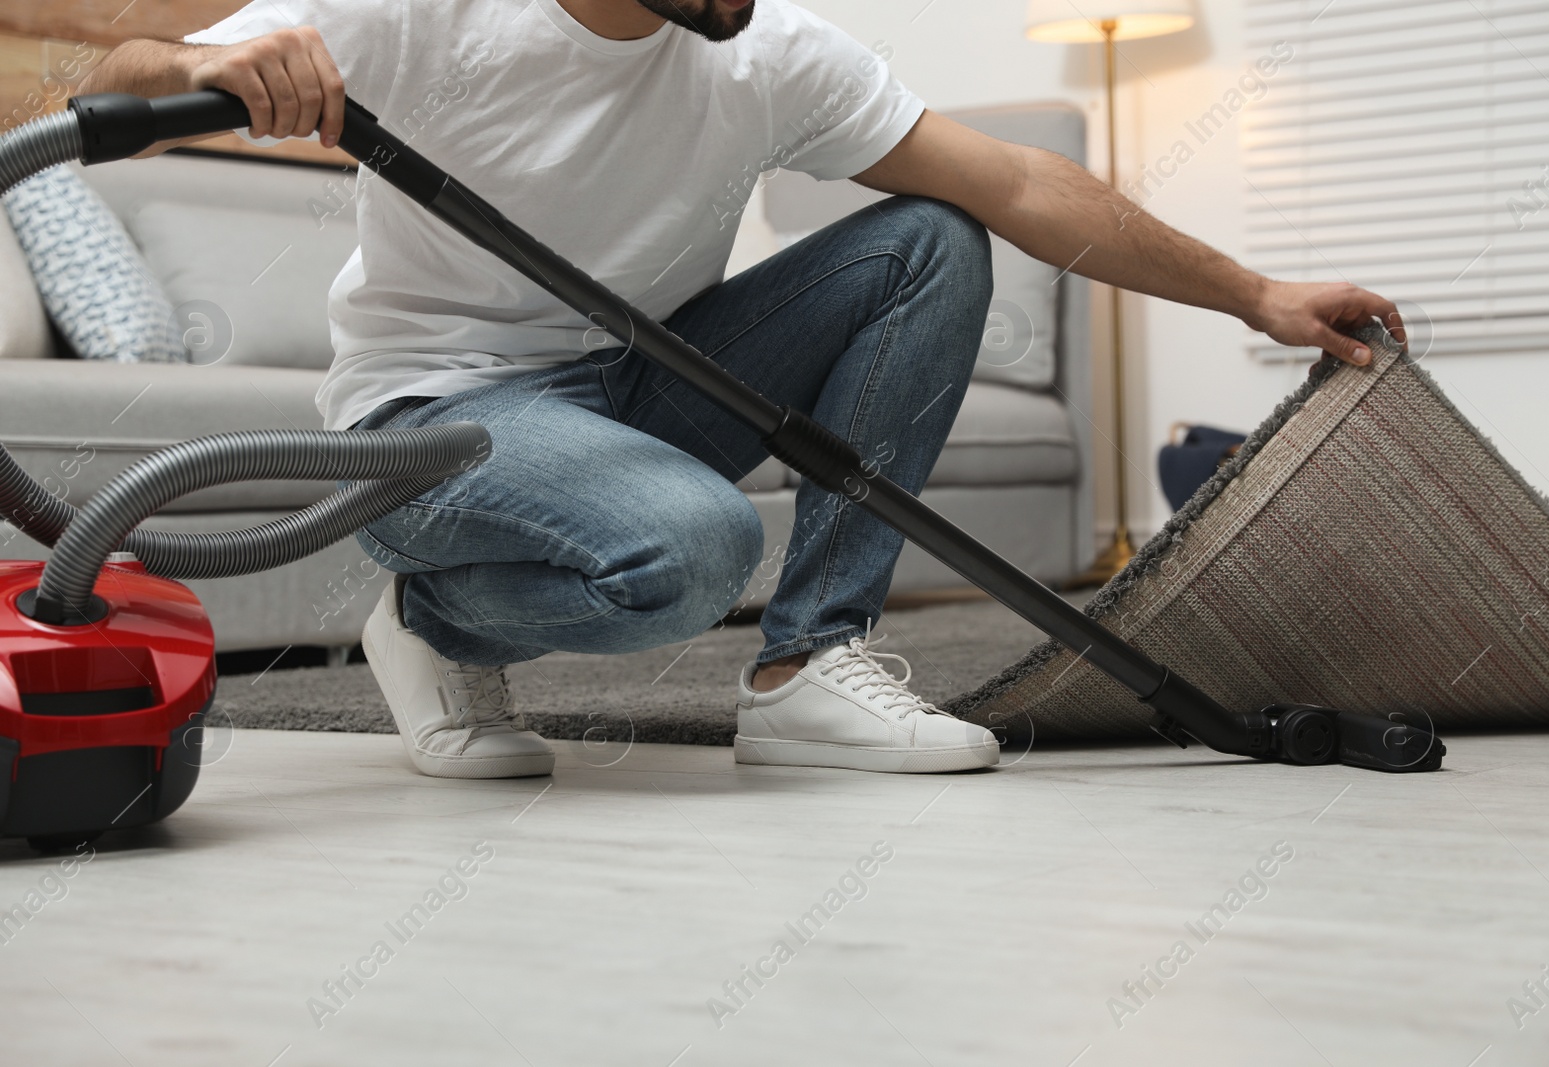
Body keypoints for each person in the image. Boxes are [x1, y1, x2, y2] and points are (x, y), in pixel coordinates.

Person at [80, 0, 1403, 780]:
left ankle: (810, 669)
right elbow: (120, 75)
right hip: (433, 421)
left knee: (932, 239)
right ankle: (433, 617)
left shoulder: (765, 52)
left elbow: (1016, 184)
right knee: (698, 546)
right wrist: (223, 69)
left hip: (633, 383)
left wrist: (1254, 294)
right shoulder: (422, 14)